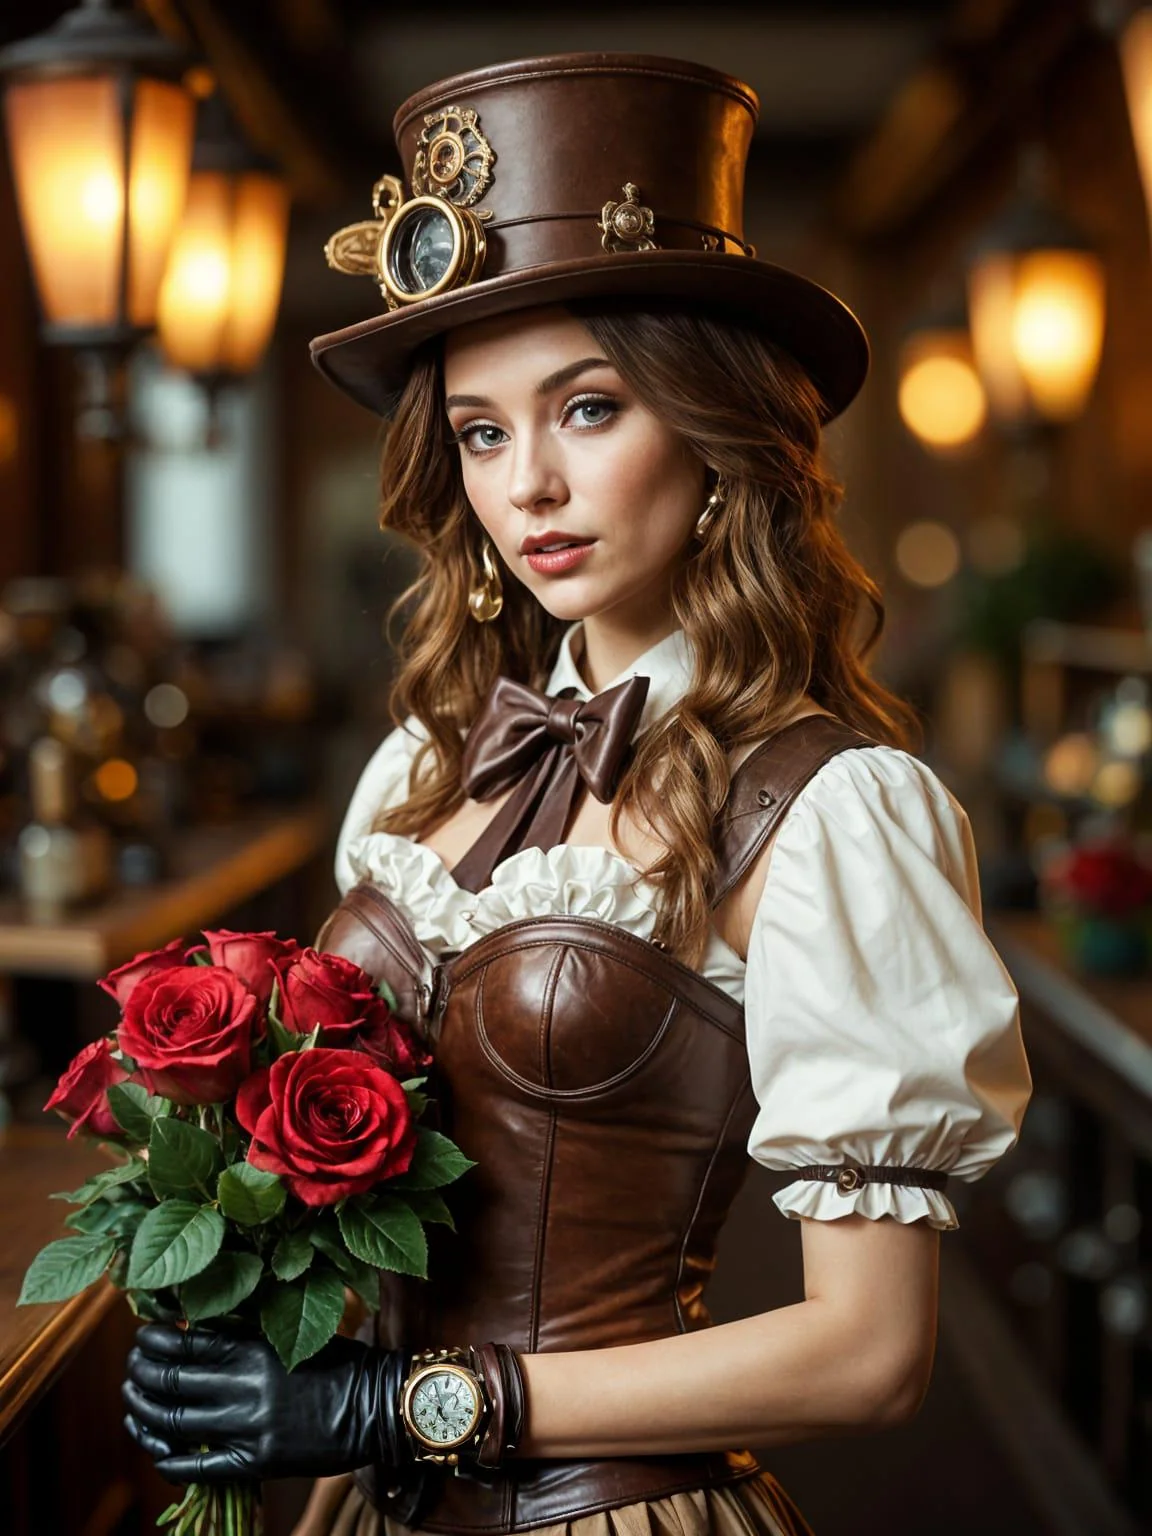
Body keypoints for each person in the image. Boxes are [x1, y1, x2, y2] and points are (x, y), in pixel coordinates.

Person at [121, 50, 1033, 1536]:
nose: (528, 484)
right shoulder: (421, 764)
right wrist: (238, 1315)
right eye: (482, 431)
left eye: (589, 409)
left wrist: (414, 1404)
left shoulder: (834, 806)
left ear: (721, 435)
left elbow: (871, 1354)